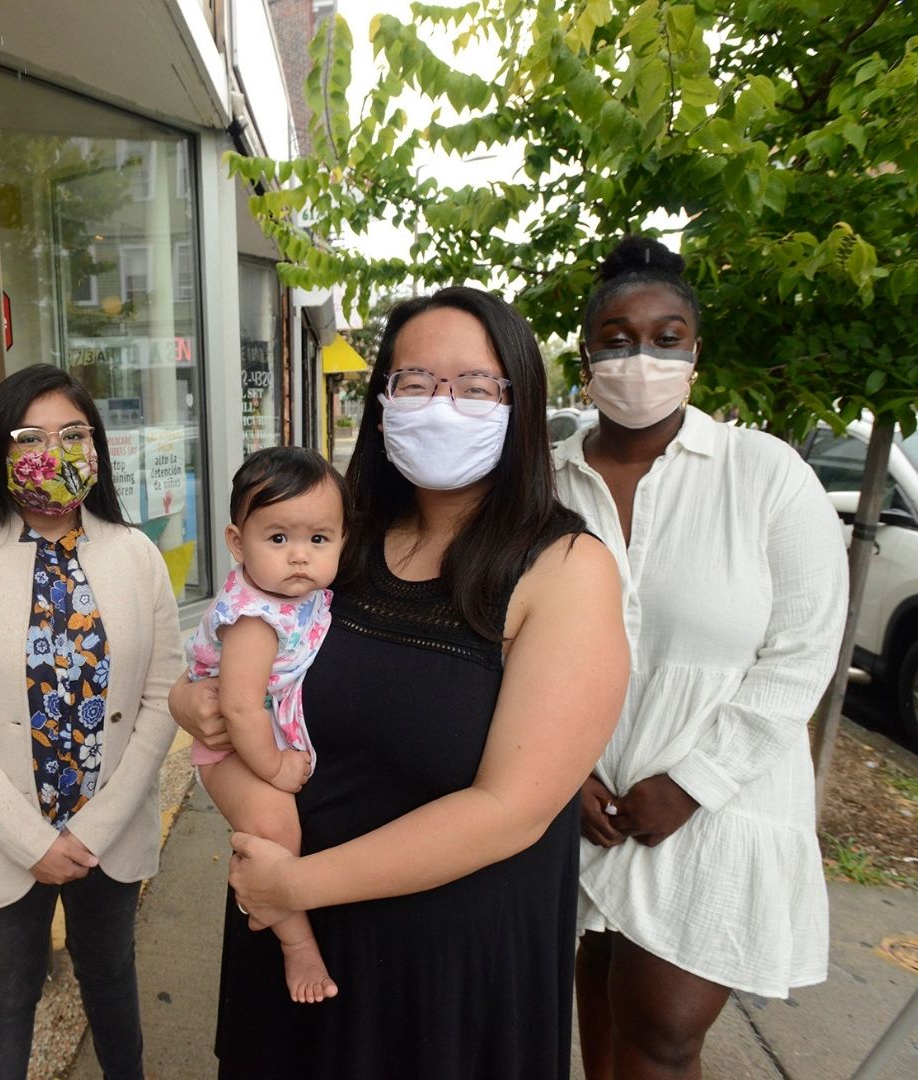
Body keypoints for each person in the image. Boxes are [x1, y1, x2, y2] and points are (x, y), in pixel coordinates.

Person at [173, 287, 629, 1079]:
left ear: (518, 404)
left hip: (438, 974)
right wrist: (197, 702)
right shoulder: (333, 542)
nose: (441, 406)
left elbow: (510, 810)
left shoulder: (564, 570)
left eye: (474, 386)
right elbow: (240, 659)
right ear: (382, 401)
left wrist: (295, 886)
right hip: (290, 936)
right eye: (415, 382)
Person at [553, 236, 848, 1080]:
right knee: (602, 1001)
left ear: (695, 352)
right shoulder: (551, 483)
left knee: (664, 1032)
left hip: (719, 799)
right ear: (586, 356)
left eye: (665, 336)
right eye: (615, 337)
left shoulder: (765, 474)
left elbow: (802, 652)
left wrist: (689, 786)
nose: (638, 356)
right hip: (587, 798)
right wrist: (563, 775)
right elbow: (518, 642)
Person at [0, 364, 182, 1080]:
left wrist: (91, 829)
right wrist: (33, 840)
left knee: (111, 977)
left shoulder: (137, 555)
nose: (53, 452)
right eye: (30, 436)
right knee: (5, 992)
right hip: (4, 835)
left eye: (73, 434)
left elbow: (163, 696)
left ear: (97, 447)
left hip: (107, 830)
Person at [171, 446, 347, 1004]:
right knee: (275, 828)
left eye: (318, 540)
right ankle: (297, 943)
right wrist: (273, 768)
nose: (299, 557)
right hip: (233, 749)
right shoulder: (254, 619)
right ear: (236, 541)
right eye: (278, 539)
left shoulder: (305, 595)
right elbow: (241, 708)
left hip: (261, 734)